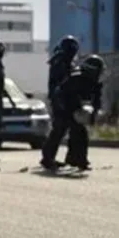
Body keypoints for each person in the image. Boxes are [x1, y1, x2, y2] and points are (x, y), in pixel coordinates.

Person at [41, 55, 105, 171]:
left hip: (76, 108)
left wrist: (93, 114)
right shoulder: (75, 78)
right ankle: (47, 159)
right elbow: (62, 95)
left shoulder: (94, 83)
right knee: (59, 131)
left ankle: (76, 159)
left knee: (80, 133)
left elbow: (97, 100)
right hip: (63, 107)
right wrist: (71, 111)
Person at [46, 35, 80, 167]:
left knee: (69, 128)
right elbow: (59, 84)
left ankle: (71, 158)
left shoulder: (66, 62)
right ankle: (48, 158)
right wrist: (59, 102)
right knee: (59, 129)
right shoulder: (59, 62)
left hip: (67, 99)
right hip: (60, 100)